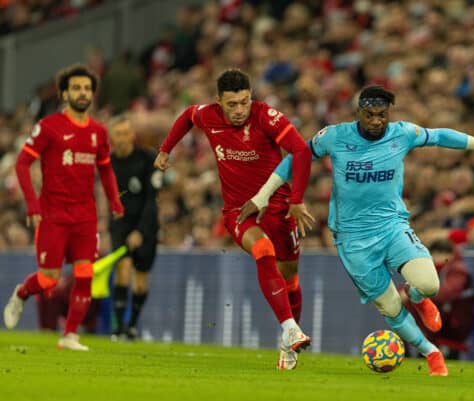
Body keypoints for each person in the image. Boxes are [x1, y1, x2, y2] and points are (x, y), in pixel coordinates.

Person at [239, 85, 474, 376]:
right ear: (358, 112)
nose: (376, 121)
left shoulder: (403, 133)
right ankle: (432, 353)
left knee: (429, 284)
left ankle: (419, 299)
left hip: (392, 226)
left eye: (381, 115)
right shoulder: (335, 136)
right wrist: (262, 196)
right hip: (352, 238)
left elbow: (441, 136)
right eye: (369, 115)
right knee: (391, 307)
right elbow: (296, 157)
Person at [154, 68, 314, 370]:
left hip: (277, 207)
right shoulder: (208, 116)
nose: (240, 110)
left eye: (244, 102)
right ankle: (290, 328)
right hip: (238, 211)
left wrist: (296, 200)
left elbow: (301, 151)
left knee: (290, 276)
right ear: (219, 102)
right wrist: (165, 149)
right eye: (232, 104)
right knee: (263, 250)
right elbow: (188, 114)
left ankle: (288, 340)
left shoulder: (266, 116)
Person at [3, 64, 124, 350]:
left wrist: (115, 200)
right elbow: (22, 163)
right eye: (76, 88)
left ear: (92, 94)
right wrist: (32, 205)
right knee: (48, 279)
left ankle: (69, 335)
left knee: (84, 274)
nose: (82, 93)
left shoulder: (98, 132)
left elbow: (105, 170)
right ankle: (21, 293)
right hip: (54, 214)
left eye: (86, 88)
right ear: (64, 93)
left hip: (85, 215)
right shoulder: (49, 127)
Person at [108, 115, 161, 340]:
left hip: (145, 222)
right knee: (123, 267)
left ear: (132, 135)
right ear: (111, 138)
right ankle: (119, 326)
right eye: (117, 134)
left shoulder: (147, 159)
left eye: (124, 133)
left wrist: (141, 230)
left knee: (140, 278)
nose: (121, 138)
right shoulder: (107, 162)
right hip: (120, 222)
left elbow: (152, 199)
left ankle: (132, 325)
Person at [407, 239, 474, 360]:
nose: (438, 257)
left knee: (414, 300)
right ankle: (409, 347)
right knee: (406, 304)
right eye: (435, 254)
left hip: (454, 321)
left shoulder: (457, 269)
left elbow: (447, 292)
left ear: (450, 254)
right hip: (440, 320)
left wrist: (419, 292)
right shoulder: (431, 269)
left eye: (442, 254)